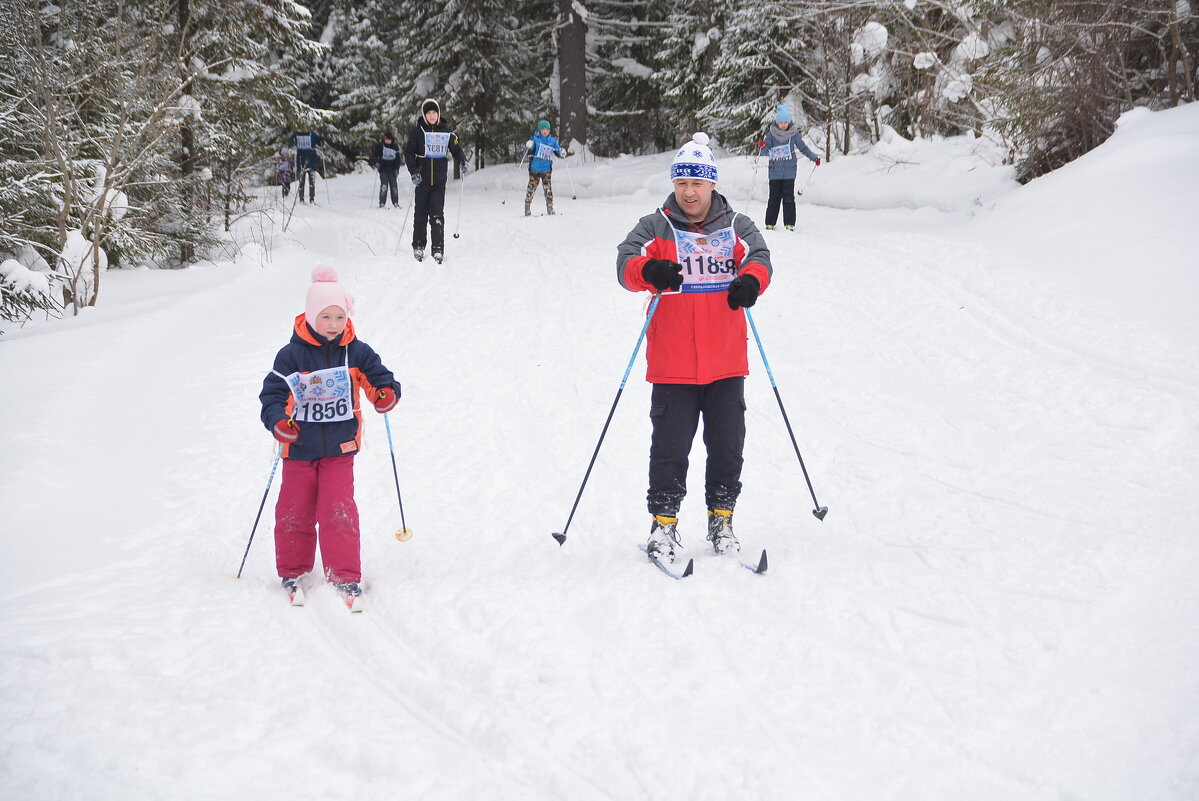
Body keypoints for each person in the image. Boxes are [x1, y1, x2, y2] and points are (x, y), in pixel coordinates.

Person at [615, 132, 773, 563]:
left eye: (697, 184)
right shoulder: (656, 226)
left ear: (712, 185)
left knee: (727, 446)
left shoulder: (736, 225)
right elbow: (625, 261)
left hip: (725, 363)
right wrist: (652, 270)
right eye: (682, 183)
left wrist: (750, 282)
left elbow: (759, 256)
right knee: (669, 449)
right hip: (673, 364)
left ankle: (722, 520)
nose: (688, 192)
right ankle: (663, 526)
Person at [259, 266, 402, 605]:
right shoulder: (291, 355)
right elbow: (273, 396)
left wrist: (385, 392)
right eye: (326, 317)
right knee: (294, 510)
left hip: (340, 447)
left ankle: (345, 575)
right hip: (298, 448)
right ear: (310, 317)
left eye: (340, 316)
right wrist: (280, 422)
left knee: (338, 510)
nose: (334, 324)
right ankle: (292, 570)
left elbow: (379, 378)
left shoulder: (357, 351)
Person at [403, 98, 468, 264]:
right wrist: (413, 172)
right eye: (428, 113)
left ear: (438, 114)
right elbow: (409, 153)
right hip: (422, 179)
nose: (431, 116)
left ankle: (438, 249)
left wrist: (462, 161)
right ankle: (418, 245)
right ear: (425, 115)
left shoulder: (445, 131)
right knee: (420, 214)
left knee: (437, 215)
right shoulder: (418, 131)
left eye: (434, 112)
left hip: (439, 180)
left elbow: (456, 148)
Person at [756, 104, 820, 230]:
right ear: (777, 122)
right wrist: (762, 146)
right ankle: (770, 223)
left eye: (786, 122)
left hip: (790, 172)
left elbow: (802, 147)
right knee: (774, 199)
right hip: (775, 172)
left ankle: (789, 223)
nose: (783, 125)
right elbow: (764, 152)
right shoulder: (772, 135)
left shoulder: (794, 134)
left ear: (789, 122)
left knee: (789, 198)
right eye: (781, 122)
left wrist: (814, 157)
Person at [523, 119, 564, 217]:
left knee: (548, 188)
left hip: (546, 168)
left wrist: (562, 152)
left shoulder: (552, 140)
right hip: (535, 168)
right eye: (543, 129)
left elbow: (557, 150)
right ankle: (527, 206)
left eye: (547, 129)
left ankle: (550, 207)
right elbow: (528, 149)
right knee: (531, 187)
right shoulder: (535, 139)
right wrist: (529, 146)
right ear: (539, 130)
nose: (545, 131)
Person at [289, 126, 324, 204]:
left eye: (307, 127)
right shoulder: (297, 135)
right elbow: (290, 143)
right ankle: (301, 199)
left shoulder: (313, 135)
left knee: (312, 182)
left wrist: (321, 139)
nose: (305, 128)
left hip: (311, 161)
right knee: (301, 181)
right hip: (301, 161)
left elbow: (321, 144)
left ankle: (312, 199)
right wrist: (293, 140)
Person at [369, 131, 403, 208]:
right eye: (386, 139)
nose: (387, 141)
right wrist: (377, 163)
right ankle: (382, 203)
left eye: (389, 140)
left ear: (392, 140)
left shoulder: (395, 147)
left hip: (392, 170)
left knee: (394, 187)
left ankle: (395, 203)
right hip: (383, 169)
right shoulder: (380, 146)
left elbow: (398, 159)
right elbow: (374, 156)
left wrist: (397, 169)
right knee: (384, 186)